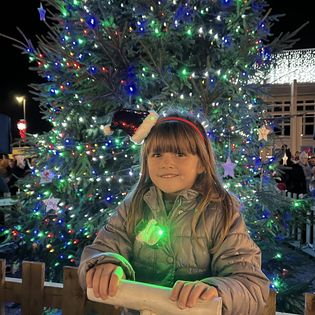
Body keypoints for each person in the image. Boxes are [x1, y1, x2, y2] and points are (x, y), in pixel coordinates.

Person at [78, 109, 270, 314]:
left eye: (180, 154)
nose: (166, 162)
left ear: (201, 164)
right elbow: (103, 247)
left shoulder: (221, 212)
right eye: (157, 154)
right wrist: (107, 264)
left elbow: (250, 284)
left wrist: (216, 291)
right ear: (147, 161)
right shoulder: (133, 206)